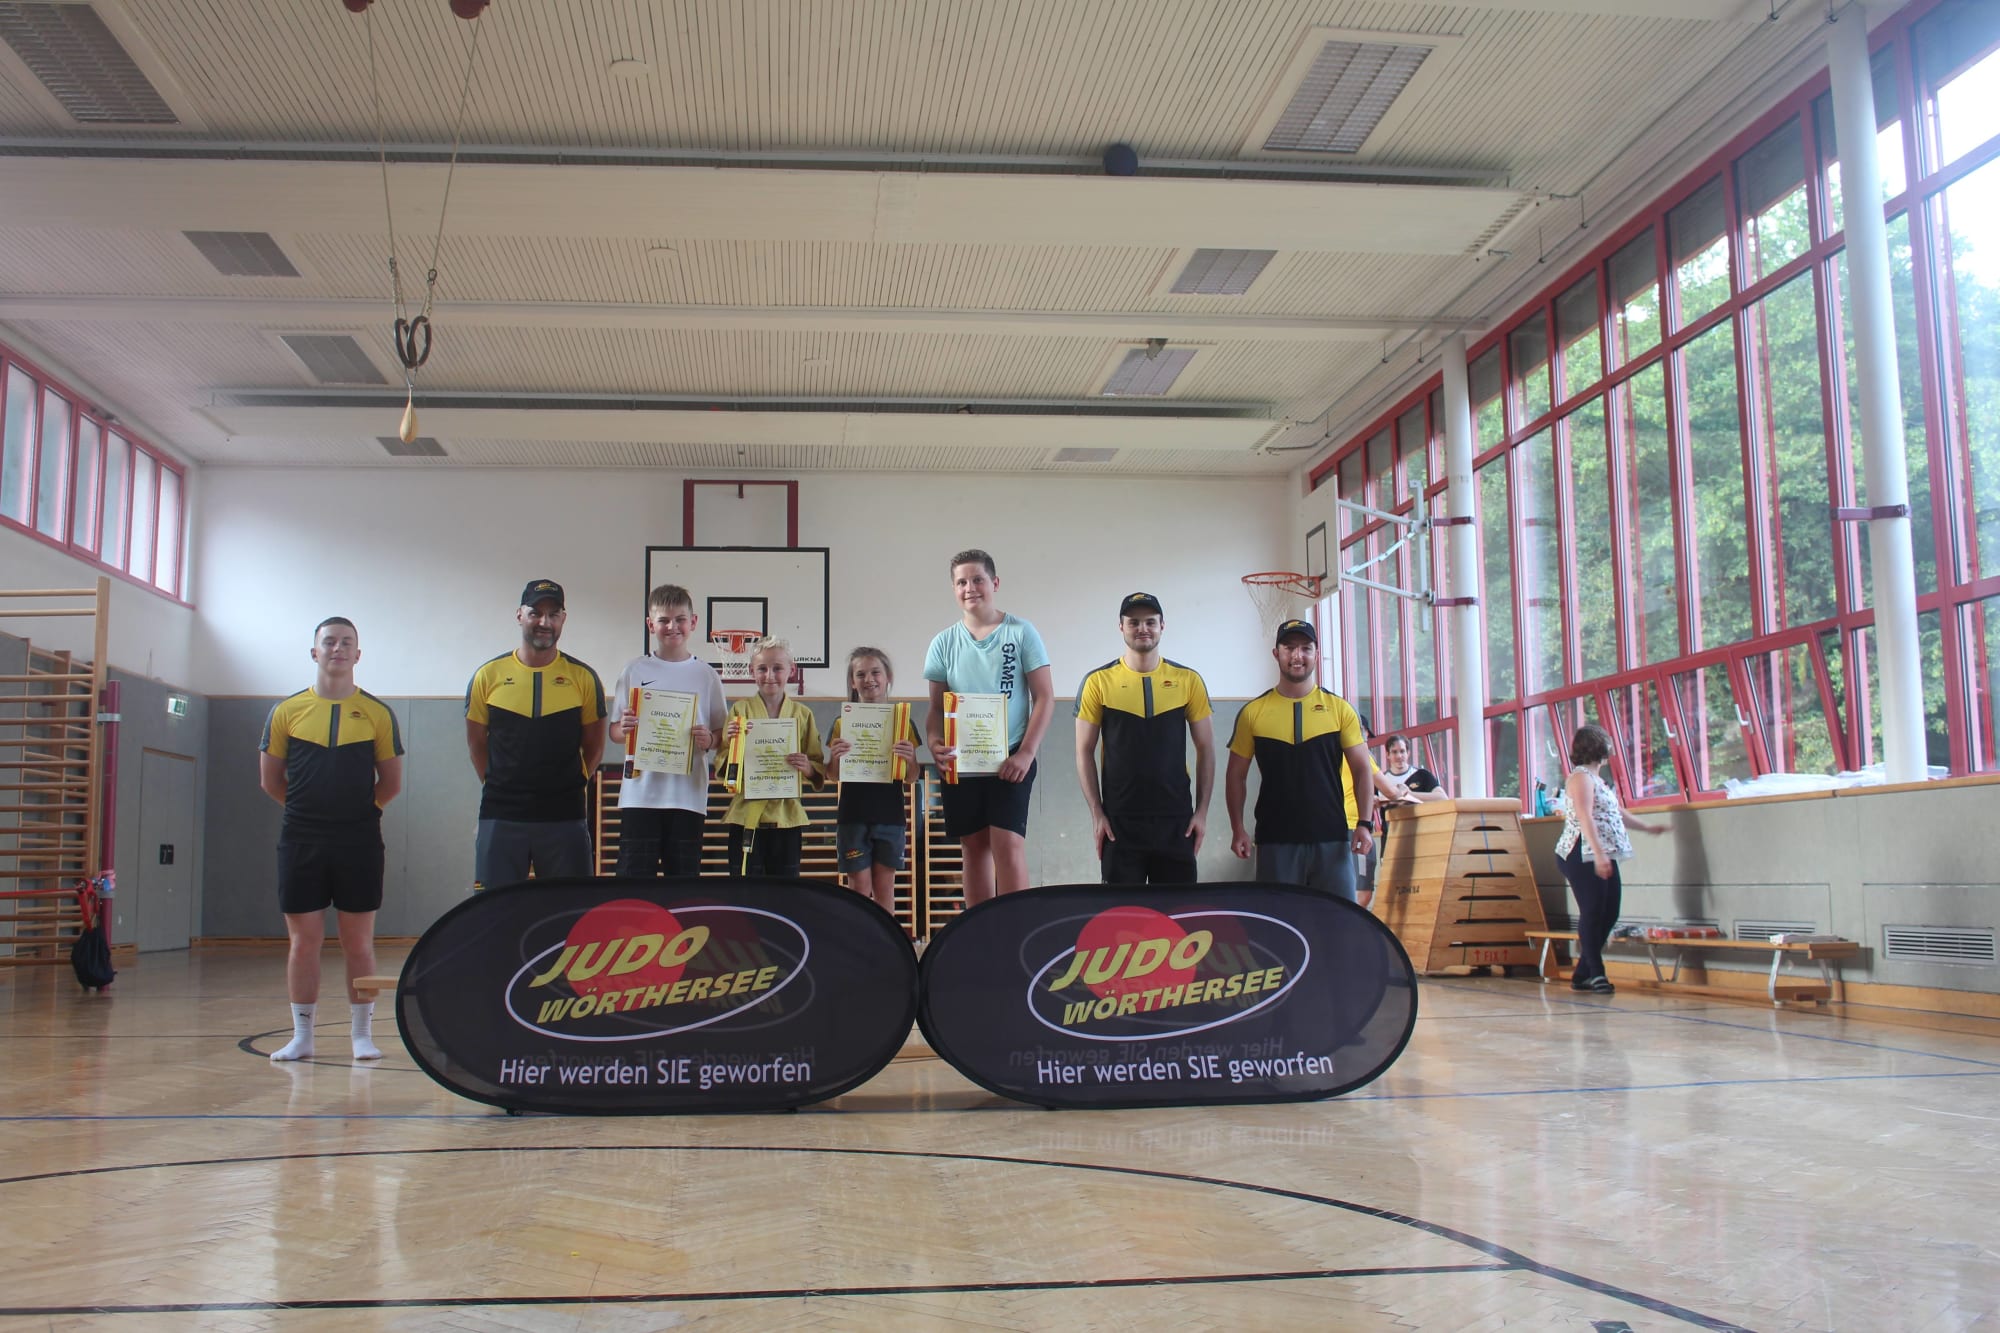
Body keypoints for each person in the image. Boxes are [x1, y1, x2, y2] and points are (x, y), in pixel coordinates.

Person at [257, 616, 404, 1062]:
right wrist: (310, 814)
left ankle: (362, 1035)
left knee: (358, 942)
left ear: (358, 654)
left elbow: (391, 784)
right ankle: (302, 1036)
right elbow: (271, 781)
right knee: (304, 942)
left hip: (359, 838)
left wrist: (354, 815)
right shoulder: (286, 711)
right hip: (301, 838)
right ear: (314, 652)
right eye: (329, 642)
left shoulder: (378, 713)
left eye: (346, 642)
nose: (337, 648)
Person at [923, 549, 1055, 904]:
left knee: (1007, 843)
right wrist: (935, 743)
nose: (970, 588)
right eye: (961, 582)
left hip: (1011, 756)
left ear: (994, 583)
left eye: (977, 579)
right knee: (973, 846)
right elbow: (935, 709)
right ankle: (977, 929)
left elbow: (1045, 697)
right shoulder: (943, 643)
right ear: (954, 589)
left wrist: (1026, 753)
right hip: (962, 759)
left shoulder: (1021, 632)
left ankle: (1017, 928)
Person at [464, 579, 606, 887]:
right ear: (520, 615)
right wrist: (499, 785)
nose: (545, 622)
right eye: (536, 613)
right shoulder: (487, 676)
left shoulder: (583, 677)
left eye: (553, 614)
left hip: (564, 816)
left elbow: (595, 747)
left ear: (563, 619)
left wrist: (570, 785)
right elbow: (475, 744)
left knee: (567, 910)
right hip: (501, 815)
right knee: (494, 909)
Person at [1225, 618, 1375, 902]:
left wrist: (1364, 824)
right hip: (1275, 841)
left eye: (1306, 648)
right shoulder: (1253, 712)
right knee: (1278, 924)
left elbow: (1362, 769)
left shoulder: (1341, 710)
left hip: (1332, 839)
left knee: (1338, 921)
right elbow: (1235, 775)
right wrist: (1237, 828)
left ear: (1317, 654)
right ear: (1276, 653)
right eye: (1289, 648)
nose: (1297, 656)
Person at [1073, 592, 1216, 884]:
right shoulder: (1097, 682)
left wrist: (1201, 812)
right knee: (1123, 912)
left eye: (1150, 622)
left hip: (1177, 821)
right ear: (1121, 626)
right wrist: (1097, 814)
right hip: (1119, 823)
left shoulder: (1188, 680)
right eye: (1134, 622)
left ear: (1162, 625)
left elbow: (1206, 748)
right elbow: (1083, 751)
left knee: (1177, 911)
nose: (1143, 628)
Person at [606, 584, 726, 878]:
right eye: (664, 620)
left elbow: (721, 734)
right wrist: (624, 728)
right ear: (651, 625)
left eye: (680, 619)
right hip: (640, 795)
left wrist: (710, 739)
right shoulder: (634, 670)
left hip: (687, 797)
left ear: (693, 622)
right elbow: (614, 733)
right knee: (634, 883)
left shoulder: (707, 675)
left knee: (683, 886)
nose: (672, 627)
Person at [1555, 722, 1666, 994]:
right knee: (1593, 911)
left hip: (1603, 851)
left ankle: (1582, 973)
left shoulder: (1599, 780)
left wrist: (1647, 828)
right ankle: (1596, 973)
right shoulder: (1580, 778)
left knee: (1610, 912)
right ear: (1599, 747)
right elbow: (1585, 816)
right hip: (1581, 852)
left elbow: (1617, 813)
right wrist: (1598, 855)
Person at [824, 647, 924, 914]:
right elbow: (832, 775)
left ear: (888, 676)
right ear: (852, 682)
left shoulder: (902, 723)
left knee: (884, 888)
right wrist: (835, 758)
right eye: (860, 674)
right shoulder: (842, 723)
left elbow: (912, 777)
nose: (869, 679)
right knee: (858, 887)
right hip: (853, 816)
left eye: (875, 672)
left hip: (890, 816)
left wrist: (910, 759)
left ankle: (884, 940)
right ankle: (857, 938)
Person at [720, 637, 825, 877]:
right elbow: (724, 762)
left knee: (785, 890)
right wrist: (733, 742)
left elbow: (817, 763)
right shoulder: (740, 711)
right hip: (746, 815)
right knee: (745, 889)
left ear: (791, 670)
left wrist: (807, 767)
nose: (769, 676)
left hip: (786, 816)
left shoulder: (803, 714)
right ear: (751, 671)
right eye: (762, 669)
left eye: (777, 668)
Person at [1380, 734, 1447, 806]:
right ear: (1387, 755)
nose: (1399, 756)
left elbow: (1443, 798)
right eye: (1394, 752)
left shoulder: (1422, 775)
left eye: (1402, 751)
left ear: (1408, 753)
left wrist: (1409, 794)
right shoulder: (1381, 780)